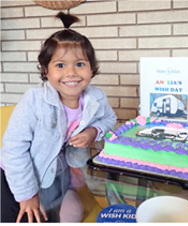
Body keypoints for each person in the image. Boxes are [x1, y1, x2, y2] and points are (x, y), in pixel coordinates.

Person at [0, 12, 117, 223]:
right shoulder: (34, 100)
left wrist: (92, 132)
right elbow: (13, 149)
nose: (71, 72)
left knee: (54, 214)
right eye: (61, 65)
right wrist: (26, 195)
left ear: (92, 68)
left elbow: (109, 119)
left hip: (58, 176)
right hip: (16, 178)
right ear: (46, 70)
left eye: (80, 64)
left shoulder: (96, 98)